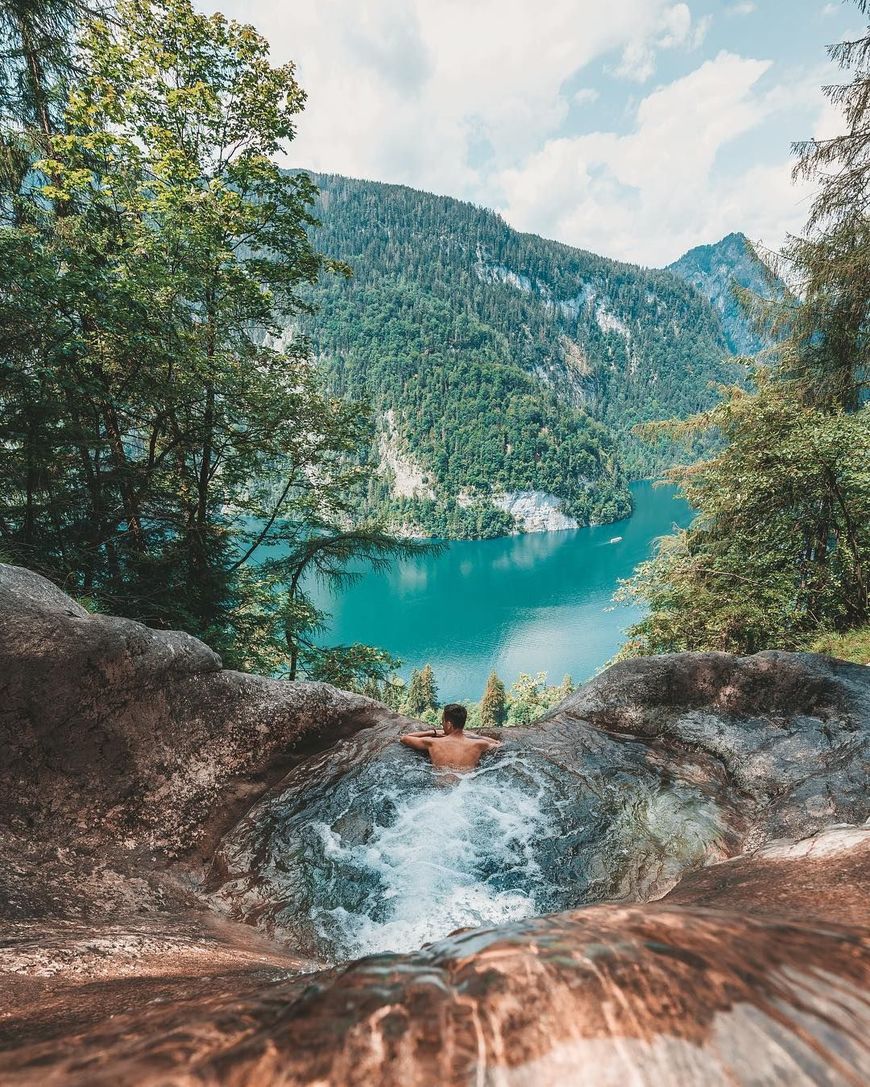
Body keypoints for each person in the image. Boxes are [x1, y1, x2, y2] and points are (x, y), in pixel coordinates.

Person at [400, 703, 502, 770]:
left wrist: (434, 732)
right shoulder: (479, 744)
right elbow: (498, 744)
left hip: (439, 795)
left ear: (449, 724)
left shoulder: (433, 742)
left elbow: (404, 738)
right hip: (465, 790)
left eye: (443, 721)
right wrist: (472, 735)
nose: (442, 724)